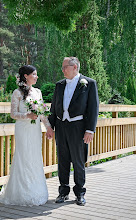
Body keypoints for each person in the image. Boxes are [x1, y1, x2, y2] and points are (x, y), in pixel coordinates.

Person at [0, 65, 54, 206]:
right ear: (26, 76)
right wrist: (27, 115)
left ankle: (36, 191)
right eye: (34, 74)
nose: (37, 77)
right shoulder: (17, 93)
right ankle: (19, 193)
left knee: (34, 157)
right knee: (23, 157)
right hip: (23, 129)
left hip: (35, 130)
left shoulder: (38, 92)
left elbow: (42, 113)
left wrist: (48, 127)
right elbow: (13, 114)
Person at [47, 57, 99, 206]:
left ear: (74, 67)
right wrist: (51, 127)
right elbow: (53, 108)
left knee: (78, 161)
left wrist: (90, 130)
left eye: (65, 67)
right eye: (62, 67)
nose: (62, 70)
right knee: (62, 161)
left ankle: (80, 193)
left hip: (79, 127)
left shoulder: (89, 84)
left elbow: (93, 109)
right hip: (61, 127)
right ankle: (63, 192)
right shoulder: (59, 85)